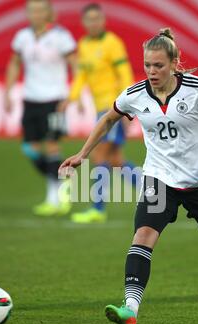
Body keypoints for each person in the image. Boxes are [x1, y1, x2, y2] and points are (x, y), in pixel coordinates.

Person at [59, 27, 198, 324]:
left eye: (159, 65)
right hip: (159, 179)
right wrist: (83, 153)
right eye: (148, 65)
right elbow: (108, 117)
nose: (152, 72)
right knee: (143, 236)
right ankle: (130, 309)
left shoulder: (196, 87)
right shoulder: (136, 95)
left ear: (175, 63)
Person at [61, 3, 141, 224]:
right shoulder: (84, 45)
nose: (94, 22)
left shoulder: (112, 43)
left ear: (103, 20)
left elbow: (124, 74)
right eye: (89, 19)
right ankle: (155, 192)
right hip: (101, 109)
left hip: (113, 108)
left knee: (99, 156)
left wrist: (127, 107)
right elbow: (82, 76)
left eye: (97, 18)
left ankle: (97, 209)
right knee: (116, 161)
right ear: (84, 23)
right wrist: (72, 98)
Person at [5, 0, 77, 216]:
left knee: (53, 145)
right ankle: (63, 182)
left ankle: (54, 198)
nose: (35, 14)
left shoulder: (61, 36)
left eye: (40, 10)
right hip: (31, 99)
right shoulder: (22, 37)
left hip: (54, 99)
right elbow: (14, 63)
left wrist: (74, 94)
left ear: (48, 13)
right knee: (29, 147)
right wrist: (7, 91)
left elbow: (76, 65)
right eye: (32, 10)